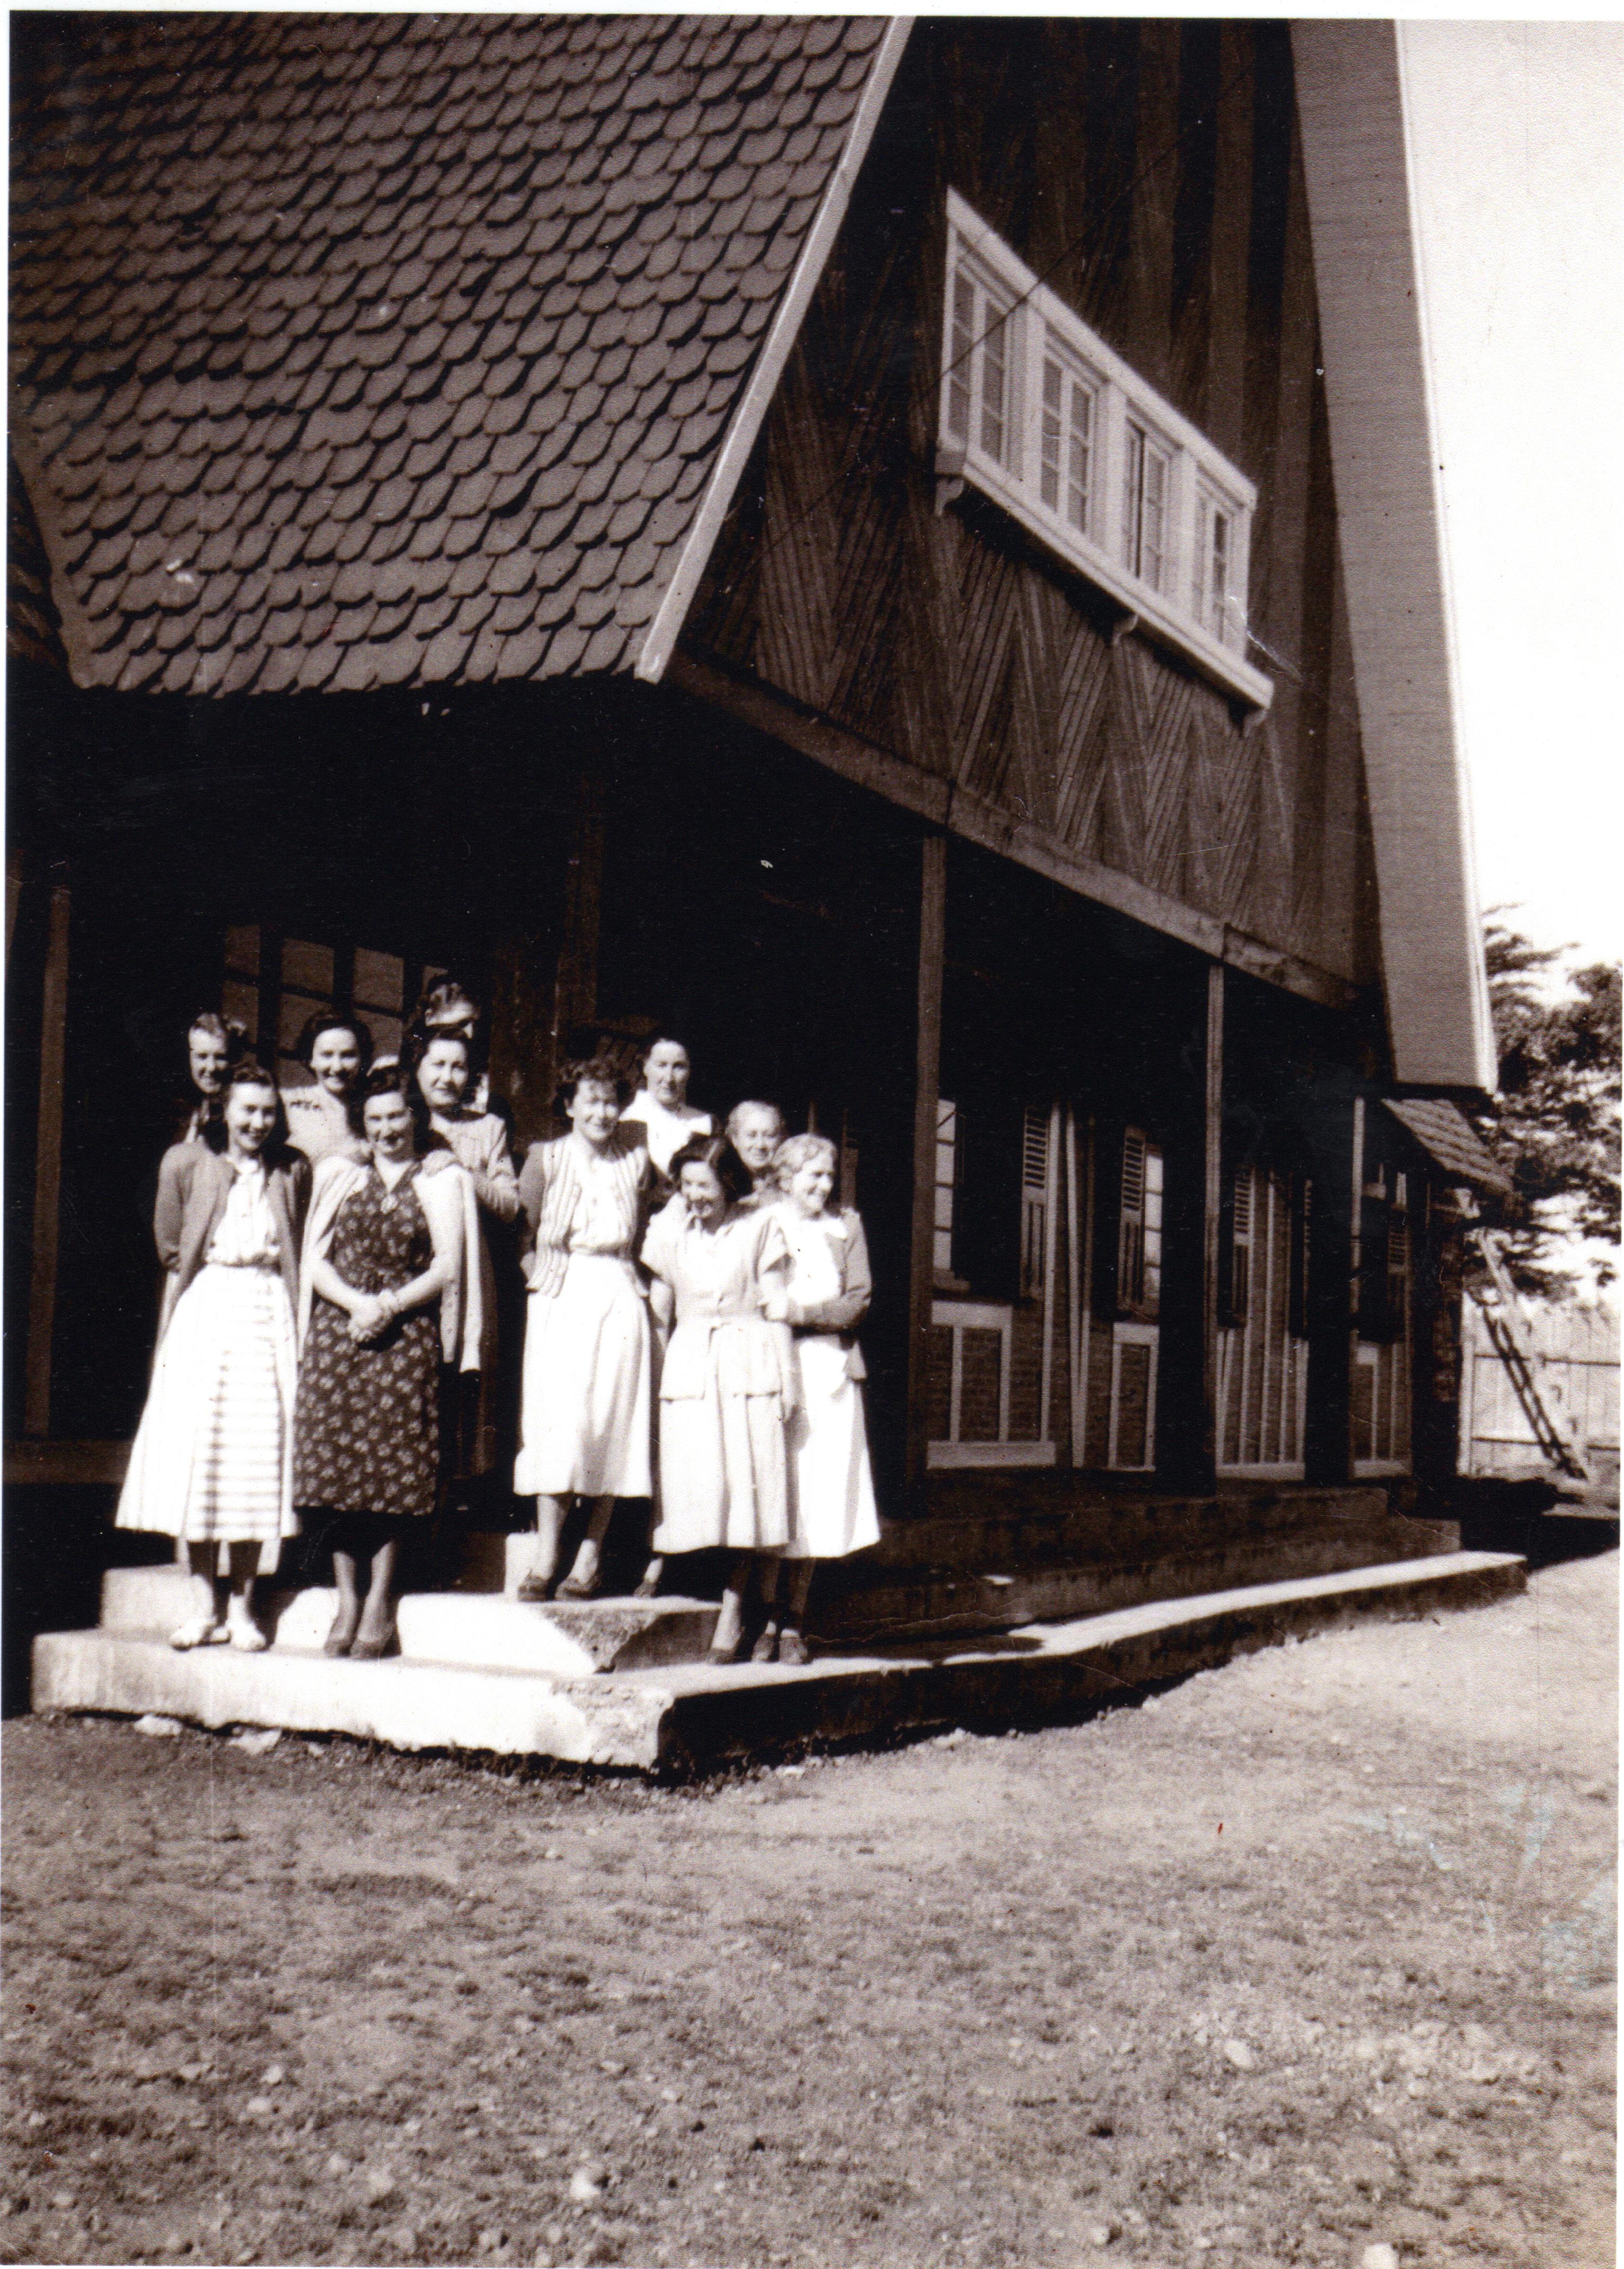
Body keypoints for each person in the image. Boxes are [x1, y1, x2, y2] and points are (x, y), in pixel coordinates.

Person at [116, 1061, 310, 1651]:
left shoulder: (291, 1169)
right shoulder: (189, 1164)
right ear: (224, 1110)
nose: (257, 1121)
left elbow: (298, 1239)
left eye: (267, 1111)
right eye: (247, 1109)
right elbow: (172, 1246)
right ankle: (204, 1605)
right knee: (203, 1454)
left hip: (267, 1306)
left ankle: (246, 1608)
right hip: (210, 1308)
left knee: (255, 1458)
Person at [294, 1069, 479, 1657]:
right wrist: (356, 1305)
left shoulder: (443, 1180)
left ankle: (381, 1597)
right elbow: (314, 1259)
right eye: (374, 1120)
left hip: (407, 1332)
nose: (386, 1129)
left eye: (396, 1117)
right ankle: (346, 1597)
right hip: (340, 1332)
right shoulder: (339, 1175)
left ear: (415, 1118)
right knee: (337, 1469)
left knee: (397, 1469)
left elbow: (449, 1266)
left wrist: (390, 1306)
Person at [640, 1134, 797, 1663]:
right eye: (685, 1186)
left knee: (747, 1491)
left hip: (748, 1362)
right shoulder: (672, 1233)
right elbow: (660, 1315)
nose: (694, 1196)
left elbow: (775, 1309)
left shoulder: (760, 1228)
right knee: (699, 1489)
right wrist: (653, 1377)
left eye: (703, 1185)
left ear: (728, 1183)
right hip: (690, 1367)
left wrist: (788, 1381)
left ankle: (733, 1612)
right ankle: (679, 1578)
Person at [513, 1053, 654, 1601]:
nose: (602, 1111)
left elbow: (658, 1225)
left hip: (619, 1291)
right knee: (558, 1426)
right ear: (569, 1106)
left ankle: (588, 1557)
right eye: (590, 1100)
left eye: (610, 1100)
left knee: (609, 1424)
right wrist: (540, 1279)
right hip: (560, 1292)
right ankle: (547, 1554)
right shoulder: (544, 1158)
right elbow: (521, 1235)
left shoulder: (638, 1161)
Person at [754, 1133, 880, 1664]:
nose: (823, 1186)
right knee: (776, 1489)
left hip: (827, 1368)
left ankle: (793, 1620)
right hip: (772, 1365)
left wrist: (800, 1313)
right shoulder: (764, 1221)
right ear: (786, 1177)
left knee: (819, 1495)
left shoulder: (845, 1226)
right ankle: (762, 1613)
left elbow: (857, 1301)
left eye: (828, 1177)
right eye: (812, 1176)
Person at [410, 1025, 520, 1481]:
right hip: (410, 1270)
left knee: (460, 1395)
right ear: (417, 1068)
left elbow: (510, 1205)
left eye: (458, 1066)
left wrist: (461, 1169)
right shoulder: (402, 1120)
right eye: (437, 1064)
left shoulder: (488, 1128)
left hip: (470, 1275)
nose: (447, 1076)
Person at [283, 1011, 373, 1166]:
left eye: (348, 1055)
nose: (338, 1067)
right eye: (327, 1055)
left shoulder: (373, 1108)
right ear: (311, 1059)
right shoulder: (287, 1102)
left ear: (361, 1059)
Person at [622, 1037, 712, 1181]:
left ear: (689, 1071)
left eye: (679, 1067)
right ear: (645, 1067)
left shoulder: (705, 1123)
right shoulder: (625, 1118)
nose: (669, 1078)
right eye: (661, 1065)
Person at [177, 1009, 248, 1145]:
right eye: (202, 1057)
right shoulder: (183, 1108)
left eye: (220, 1057)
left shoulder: (243, 1108)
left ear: (234, 1059)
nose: (211, 1067)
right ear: (190, 1058)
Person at [726, 1101, 787, 1204]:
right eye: (751, 1135)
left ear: (780, 1139)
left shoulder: (789, 1182)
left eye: (769, 1136)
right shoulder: (722, 1184)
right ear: (735, 1139)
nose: (760, 1145)